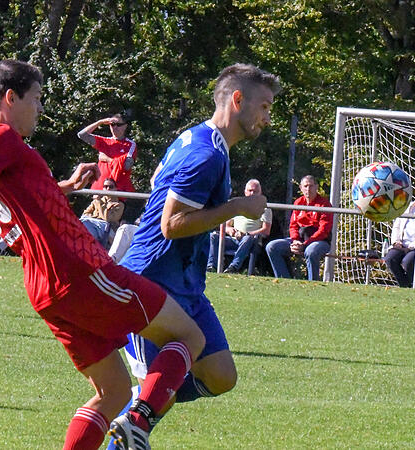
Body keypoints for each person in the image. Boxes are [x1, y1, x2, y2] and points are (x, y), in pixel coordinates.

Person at [0, 59, 204, 450]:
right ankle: (140, 422)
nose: (41, 109)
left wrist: (64, 186)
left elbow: (22, 203)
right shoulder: (2, 138)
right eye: (37, 98)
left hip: (45, 288)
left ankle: (127, 418)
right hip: (80, 270)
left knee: (112, 390)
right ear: (11, 98)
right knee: (189, 336)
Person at [113, 63, 279, 448]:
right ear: (237, 100)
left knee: (221, 375)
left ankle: (145, 406)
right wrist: (237, 206)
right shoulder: (206, 154)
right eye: (265, 107)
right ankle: (137, 415)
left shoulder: (203, 141)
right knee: (156, 390)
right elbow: (171, 224)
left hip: (185, 283)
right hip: (150, 279)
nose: (268, 118)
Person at [265, 175, 332, 280]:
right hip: (299, 240)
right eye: (305, 186)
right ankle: (284, 281)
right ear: (301, 188)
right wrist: (296, 240)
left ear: (316, 187)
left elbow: (323, 231)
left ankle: (313, 284)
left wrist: (305, 244)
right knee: (272, 247)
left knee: (310, 251)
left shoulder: (324, 205)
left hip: (319, 241)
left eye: (311, 186)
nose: (308, 189)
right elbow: (293, 225)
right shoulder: (298, 202)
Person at [206, 179, 271, 273]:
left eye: (255, 191)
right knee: (213, 236)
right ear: (245, 192)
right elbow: (226, 226)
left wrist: (247, 234)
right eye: (250, 190)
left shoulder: (265, 208)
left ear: (260, 192)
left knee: (248, 238)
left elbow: (266, 230)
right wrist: (230, 230)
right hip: (234, 239)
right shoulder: (237, 206)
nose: (252, 193)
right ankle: (212, 266)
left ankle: (233, 267)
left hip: (252, 241)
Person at [77, 112, 137, 193]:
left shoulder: (130, 144)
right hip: (98, 190)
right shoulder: (104, 141)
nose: (115, 127)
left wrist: (107, 159)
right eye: (112, 124)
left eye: (118, 125)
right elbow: (82, 135)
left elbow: (126, 166)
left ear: (125, 126)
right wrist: (100, 122)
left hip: (117, 192)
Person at [80, 178, 125, 249]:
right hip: (91, 222)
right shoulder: (98, 200)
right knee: (81, 223)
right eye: (105, 186)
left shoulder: (119, 204)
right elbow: (85, 213)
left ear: (116, 189)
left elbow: (108, 218)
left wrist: (99, 203)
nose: (108, 189)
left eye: (111, 187)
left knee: (86, 229)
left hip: (106, 227)